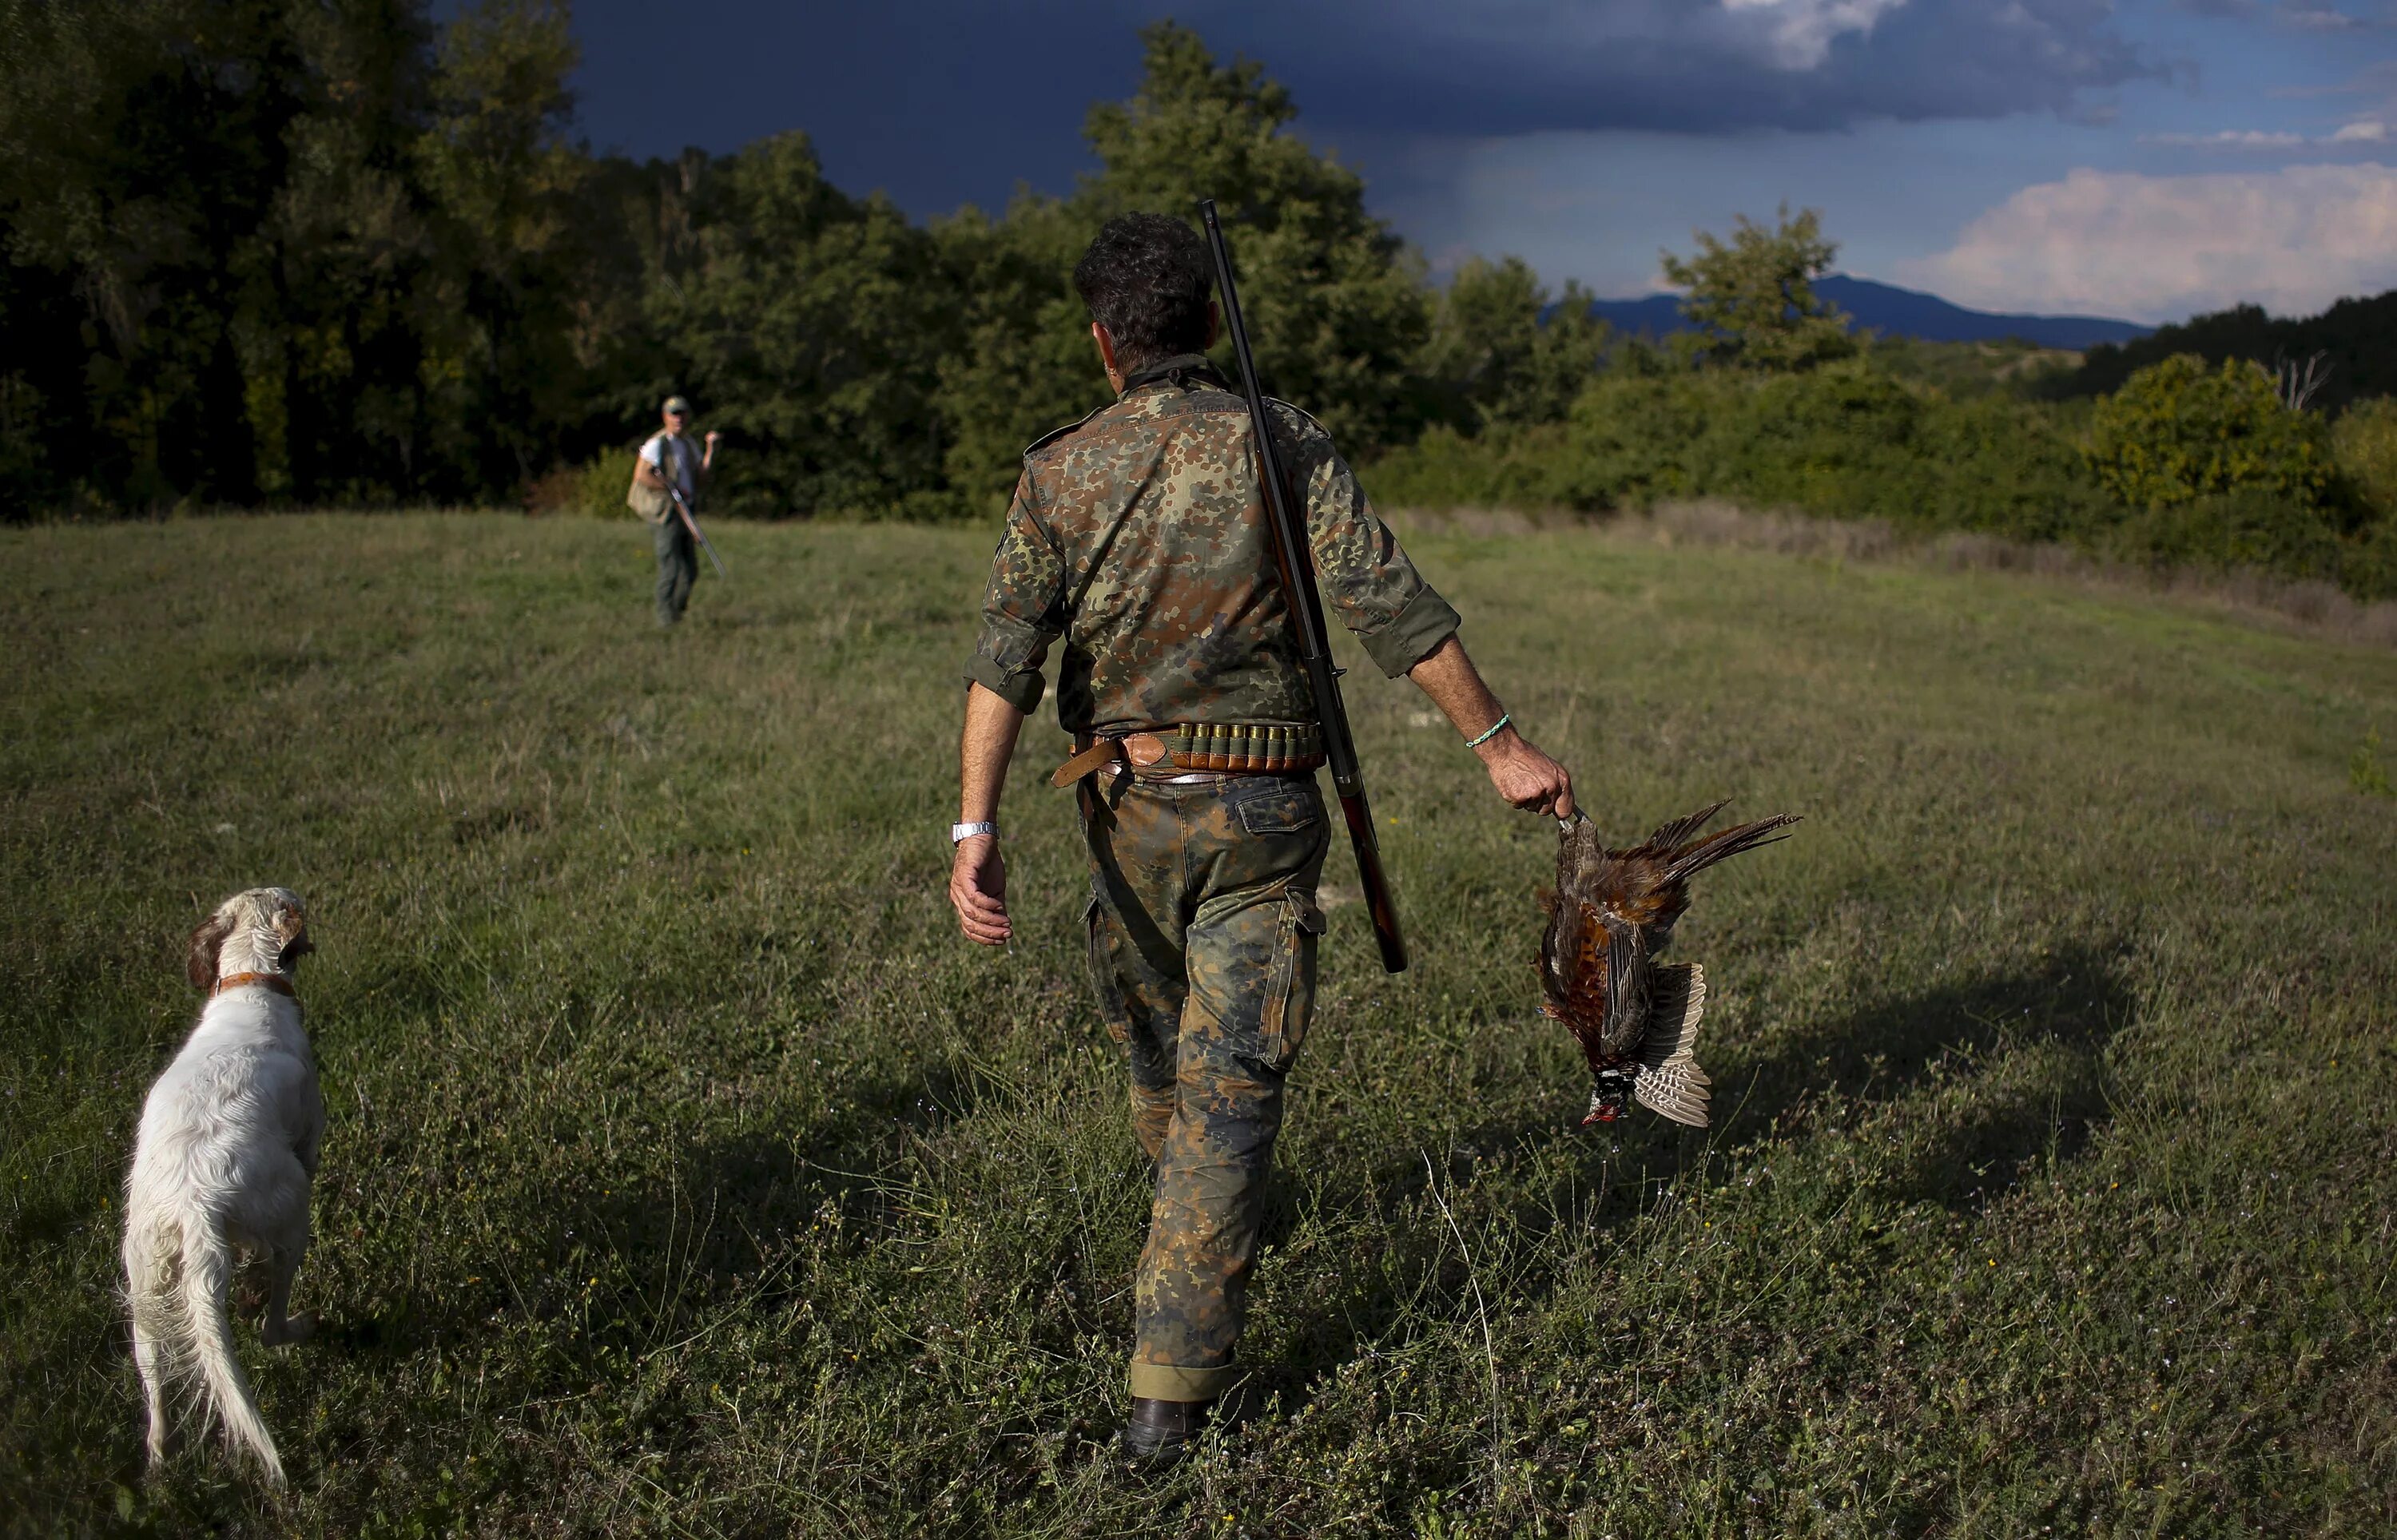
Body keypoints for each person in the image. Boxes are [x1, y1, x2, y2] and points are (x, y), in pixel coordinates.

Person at [946, 212, 1576, 1470]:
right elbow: (1391, 607)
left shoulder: (1058, 471)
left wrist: (975, 826)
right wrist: (1499, 743)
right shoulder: (1282, 443)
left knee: (1200, 1087)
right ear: (1201, 326)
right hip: (1268, 817)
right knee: (1210, 1091)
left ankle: (1165, 1397)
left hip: (1127, 819)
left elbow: (1006, 662)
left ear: (1105, 344)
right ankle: (1197, 1225)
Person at [631, 395, 720, 626]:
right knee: (670, 567)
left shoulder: (688, 443)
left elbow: (701, 476)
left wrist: (711, 449)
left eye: (681, 413)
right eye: (673, 414)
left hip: (686, 510)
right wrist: (670, 488)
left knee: (690, 571)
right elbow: (642, 476)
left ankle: (677, 611)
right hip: (666, 513)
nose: (678, 418)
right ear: (665, 417)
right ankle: (665, 620)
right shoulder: (657, 444)